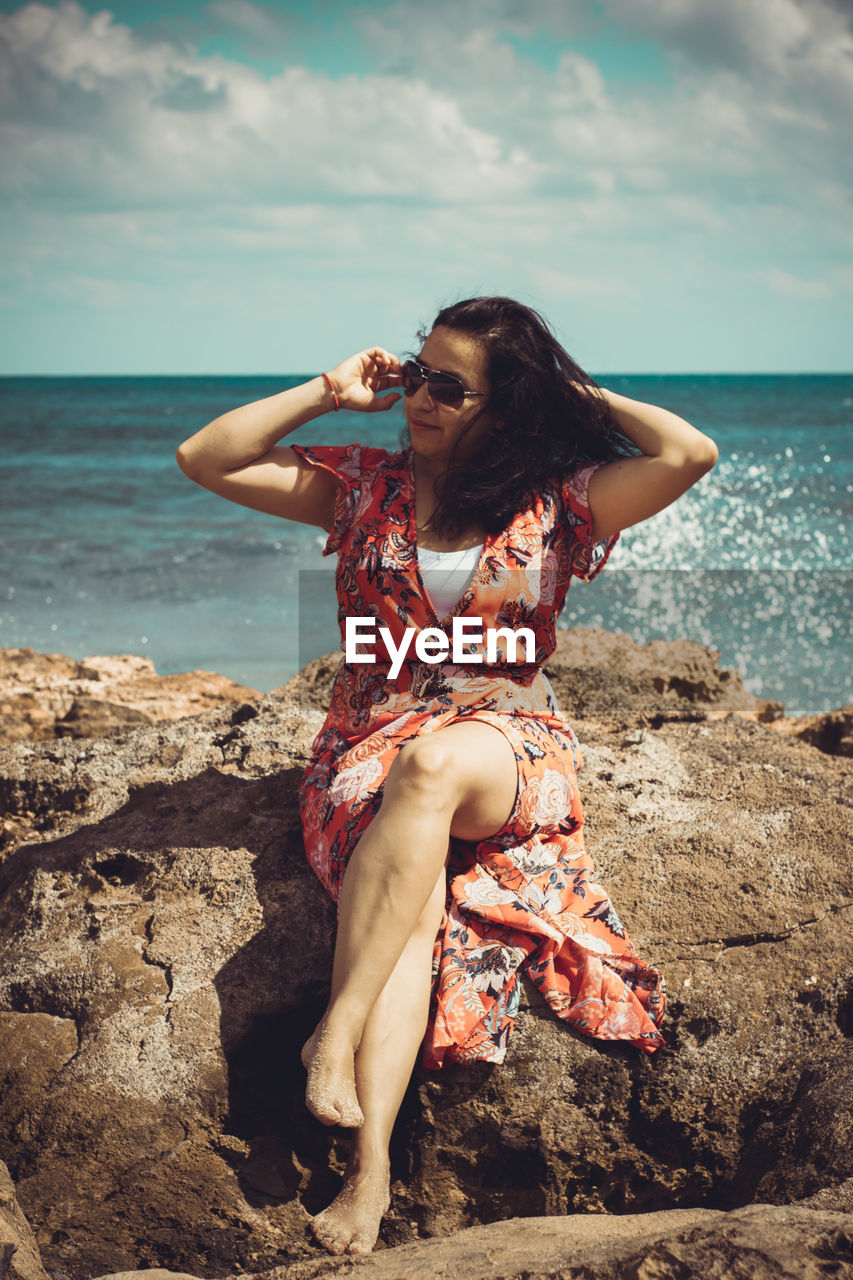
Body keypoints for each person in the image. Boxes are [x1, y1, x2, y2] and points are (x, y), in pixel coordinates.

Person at [175, 296, 718, 1257]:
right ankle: (370, 1171)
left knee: (430, 768)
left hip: (505, 741)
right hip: (367, 743)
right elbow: (205, 457)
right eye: (417, 373)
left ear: (504, 405)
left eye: (447, 385)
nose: (417, 396)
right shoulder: (363, 488)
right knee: (407, 902)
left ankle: (332, 1034)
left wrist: (568, 392)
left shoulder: (562, 497)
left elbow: (687, 454)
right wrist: (325, 392)